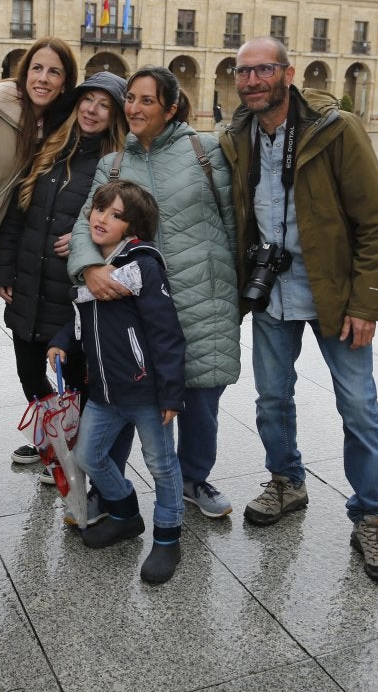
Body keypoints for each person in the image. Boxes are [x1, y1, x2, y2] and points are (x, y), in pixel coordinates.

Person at [219, 36, 378, 583]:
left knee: (358, 407)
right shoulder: (239, 136)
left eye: (262, 71)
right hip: (271, 293)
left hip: (335, 296)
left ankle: (371, 514)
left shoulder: (336, 130)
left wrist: (367, 302)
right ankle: (286, 481)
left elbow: (376, 223)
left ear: (288, 73)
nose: (250, 81)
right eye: (242, 72)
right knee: (272, 398)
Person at [69, 65, 240, 520]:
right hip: (131, 303)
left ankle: (192, 479)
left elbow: (233, 222)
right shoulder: (115, 163)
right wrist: (87, 267)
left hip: (202, 296)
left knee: (201, 399)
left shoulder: (204, 151)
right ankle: (110, 487)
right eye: (131, 99)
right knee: (127, 390)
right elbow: (86, 223)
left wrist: (233, 289)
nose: (136, 108)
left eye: (148, 100)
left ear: (171, 106)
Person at [49, 181, 187, 584]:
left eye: (115, 214)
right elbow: (80, 316)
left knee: (161, 465)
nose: (101, 218)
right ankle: (125, 514)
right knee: (89, 456)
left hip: (146, 393)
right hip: (104, 393)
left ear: (133, 226)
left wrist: (171, 393)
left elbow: (166, 333)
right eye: (99, 208)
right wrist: (61, 342)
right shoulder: (92, 268)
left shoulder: (142, 265)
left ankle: (167, 537)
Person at [0, 71, 127, 466]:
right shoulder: (48, 149)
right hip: (28, 280)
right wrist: (3, 271)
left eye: (104, 105)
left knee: (76, 376)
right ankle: (51, 438)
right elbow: (16, 215)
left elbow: (122, 224)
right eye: (88, 100)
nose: (92, 110)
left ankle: (72, 451)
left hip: (69, 291)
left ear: (113, 115)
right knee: (28, 371)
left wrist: (88, 237)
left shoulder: (114, 164)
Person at [0, 37, 79, 463]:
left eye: (54, 72)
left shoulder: (55, 131)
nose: (43, 78)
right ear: (24, 71)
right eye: (37, 68)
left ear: (65, 83)